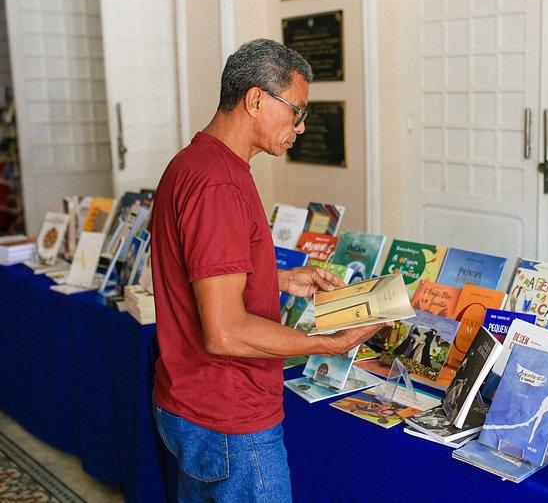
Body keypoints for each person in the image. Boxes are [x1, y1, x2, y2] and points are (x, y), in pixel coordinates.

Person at [150, 38, 383, 502]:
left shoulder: (194, 163)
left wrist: (273, 279)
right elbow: (225, 333)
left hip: (191, 400)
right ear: (256, 99)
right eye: (297, 111)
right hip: (229, 415)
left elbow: (198, 274)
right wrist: (329, 344)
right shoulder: (219, 183)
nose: (301, 126)